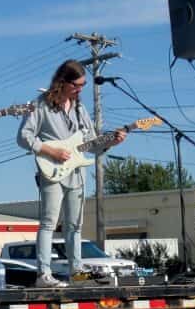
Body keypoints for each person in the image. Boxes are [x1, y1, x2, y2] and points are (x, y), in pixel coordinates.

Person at [16, 60, 125, 288]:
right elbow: (24, 137)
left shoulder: (80, 109)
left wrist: (111, 141)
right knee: (48, 222)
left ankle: (77, 270)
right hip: (52, 171)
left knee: (74, 225)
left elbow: (92, 144)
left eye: (83, 85)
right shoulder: (42, 105)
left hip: (76, 173)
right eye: (77, 85)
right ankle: (43, 274)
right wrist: (51, 150)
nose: (80, 89)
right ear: (62, 82)